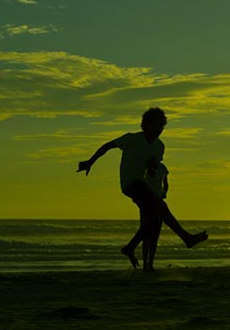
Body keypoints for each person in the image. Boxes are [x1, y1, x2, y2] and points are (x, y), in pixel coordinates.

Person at [77, 107, 207, 269]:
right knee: (161, 207)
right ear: (147, 125)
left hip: (143, 184)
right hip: (130, 183)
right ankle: (186, 238)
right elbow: (108, 146)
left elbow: (151, 167)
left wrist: (152, 167)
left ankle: (130, 248)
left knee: (153, 220)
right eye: (157, 126)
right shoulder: (132, 139)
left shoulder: (159, 146)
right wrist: (90, 161)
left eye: (162, 127)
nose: (160, 130)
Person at [122, 158, 169, 271]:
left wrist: (164, 193)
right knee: (146, 232)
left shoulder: (162, 168)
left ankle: (150, 263)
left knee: (156, 234)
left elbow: (166, 182)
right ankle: (145, 264)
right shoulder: (145, 168)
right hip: (146, 200)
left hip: (158, 199)